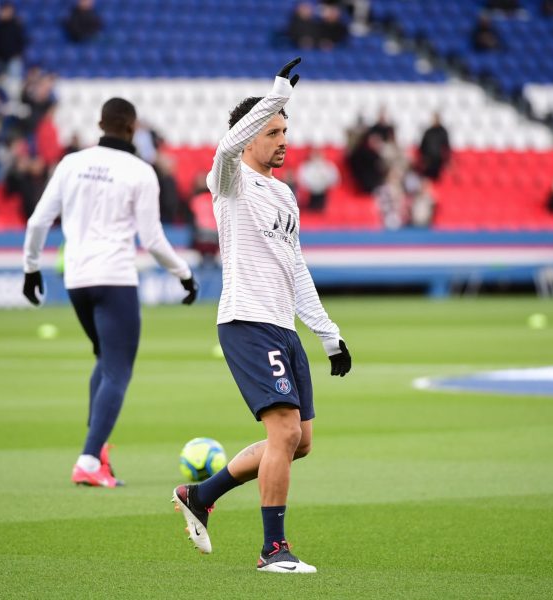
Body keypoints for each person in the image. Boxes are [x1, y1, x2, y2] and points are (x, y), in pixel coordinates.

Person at [171, 58, 352, 574]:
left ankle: (200, 494)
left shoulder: (284, 194)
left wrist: (329, 334)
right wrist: (276, 96)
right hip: (246, 321)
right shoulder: (228, 182)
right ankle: (274, 549)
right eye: (272, 130)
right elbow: (227, 146)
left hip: (283, 326)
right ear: (249, 136)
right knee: (283, 431)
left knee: (300, 442)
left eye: (284, 131)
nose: (282, 139)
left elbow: (295, 267)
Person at [22, 97, 199, 488]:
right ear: (133, 128)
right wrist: (184, 274)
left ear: (100, 124)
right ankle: (87, 459)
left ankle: (97, 452)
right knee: (118, 370)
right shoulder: (140, 171)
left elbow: (37, 221)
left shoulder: (71, 163)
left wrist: (31, 267)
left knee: (105, 359)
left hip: (76, 280)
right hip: (115, 278)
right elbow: (152, 239)